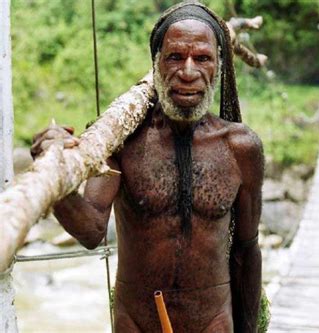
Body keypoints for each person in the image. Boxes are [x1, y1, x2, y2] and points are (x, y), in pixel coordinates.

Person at [30, 2, 264, 332]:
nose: (187, 71)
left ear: (219, 66)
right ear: (155, 65)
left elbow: (247, 249)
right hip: (136, 323)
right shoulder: (124, 141)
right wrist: (54, 175)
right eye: (174, 57)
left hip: (214, 323)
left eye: (202, 58)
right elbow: (91, 230)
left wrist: (249, 329)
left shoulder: (240, 147)